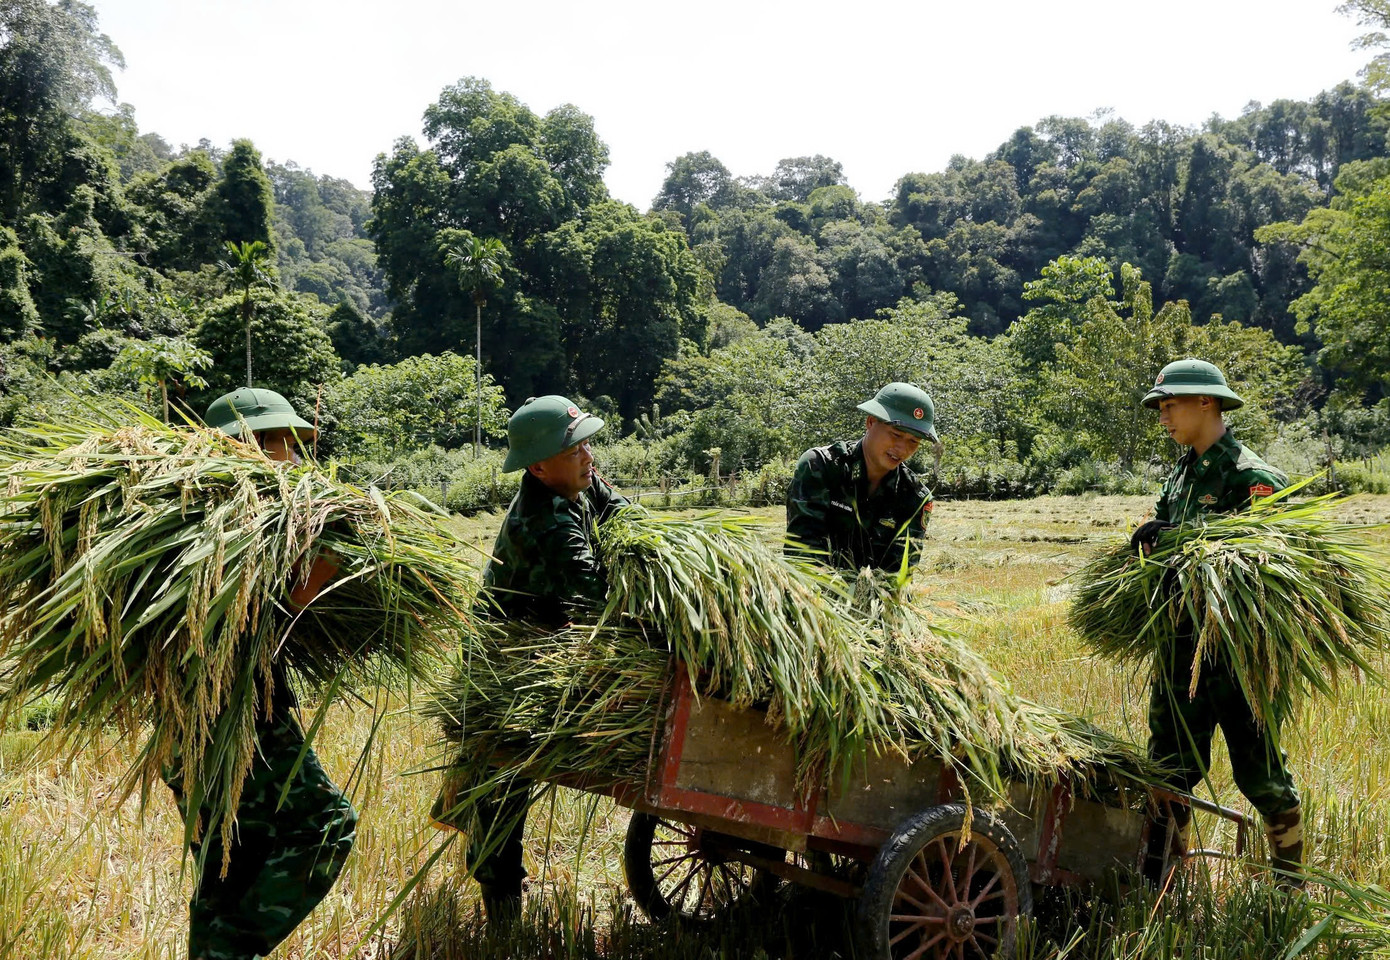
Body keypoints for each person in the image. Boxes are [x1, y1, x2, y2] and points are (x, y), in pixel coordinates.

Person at [164, 387, 358, 960]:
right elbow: (240, 621)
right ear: (244, 447)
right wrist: (313, 581)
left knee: (227, 869)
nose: (294, 458)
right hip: (237, 719)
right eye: (281, 443)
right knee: (325, 825)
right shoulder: (220, 522)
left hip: (188, 728)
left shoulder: (193, 514)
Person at [431, 395, 627, 920]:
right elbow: (592, 600)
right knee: (502, 781)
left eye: (587, 442)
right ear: (539, 466)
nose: (588, 456)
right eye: (575, 448)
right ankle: (501, 907)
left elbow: (621, 515)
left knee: (496, 781)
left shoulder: (579, 481)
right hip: (508, 663)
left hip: (545, 641)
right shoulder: (544, 522)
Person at [1131, 358, 1303, 885]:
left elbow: (1271, 565)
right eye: (1159, 407)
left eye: (1170, 405)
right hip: (1180, 648)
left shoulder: (1253, 477)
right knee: (1170, 769)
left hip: (1239, 655)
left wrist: (1187, 545)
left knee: (1262, 775)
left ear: (1206, 402)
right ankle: (1161, 881)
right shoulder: (1181, 474)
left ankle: (1289, 884)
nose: (1163, 416)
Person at [785, 381, 937, 572]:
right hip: (813, 593)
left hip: (874, 598)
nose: (902, 449)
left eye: (914, 441)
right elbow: (801, 552)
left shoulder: (915, 498)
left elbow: (899, 573)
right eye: (896, 435)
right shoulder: (821, 467)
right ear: (871, 422)